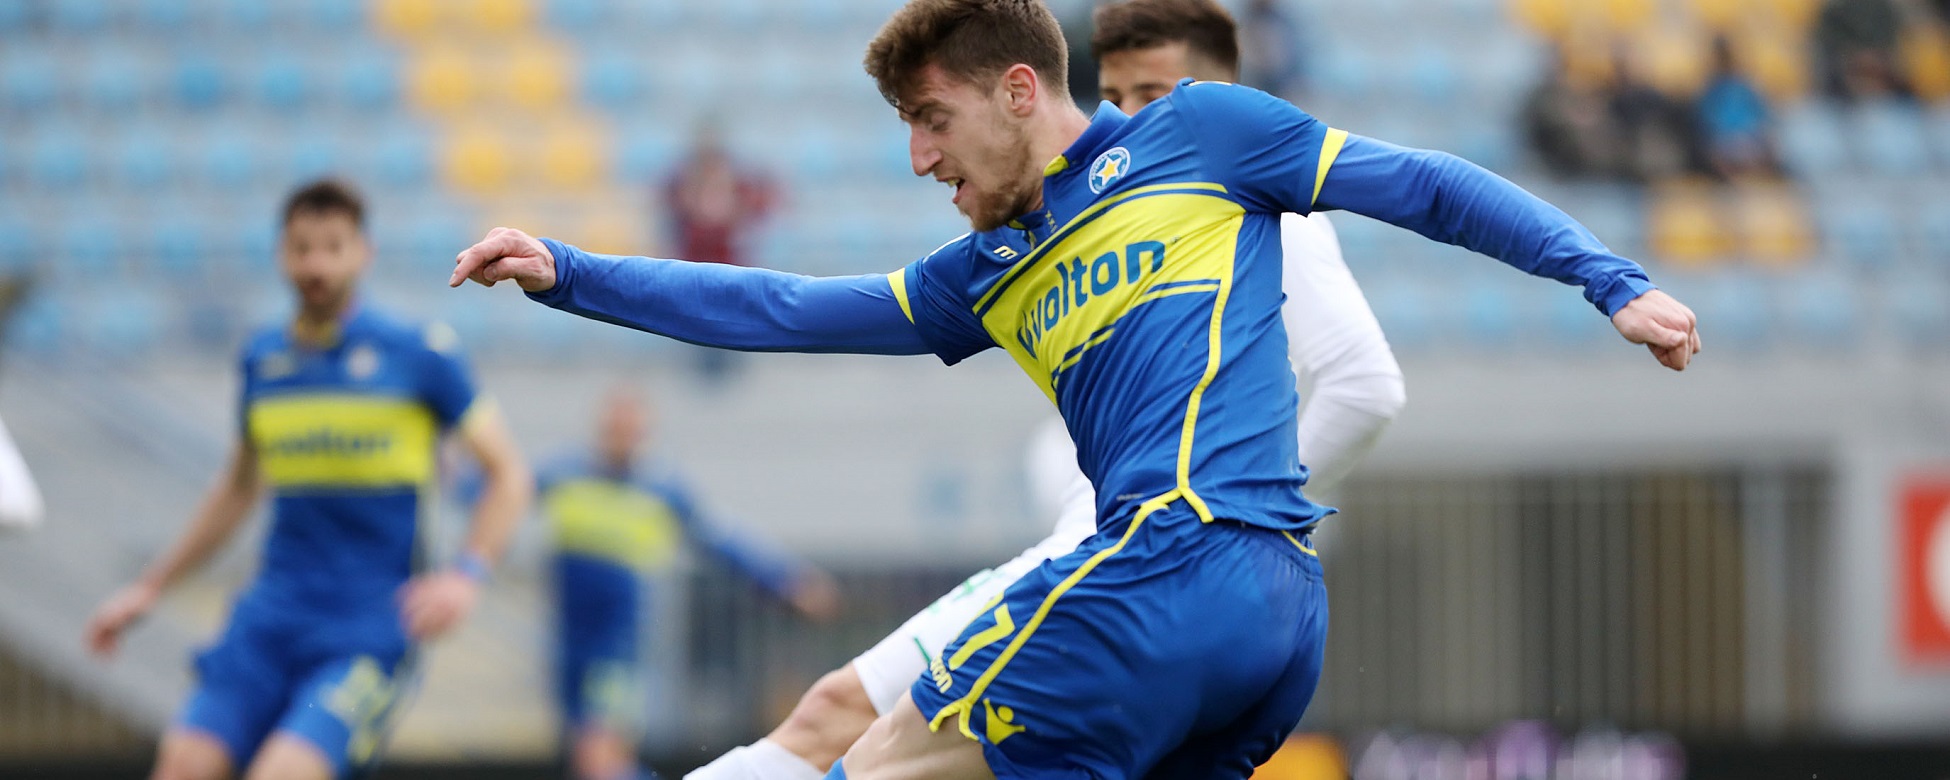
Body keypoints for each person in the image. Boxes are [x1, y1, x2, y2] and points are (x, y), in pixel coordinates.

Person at [448, 0, 1701, 775]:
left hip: (1173, 563)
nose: (917, 156)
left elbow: (1423, 185)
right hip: (1273, 623)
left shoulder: (1201, 134)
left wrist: (1610, 280)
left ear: (1017, 91)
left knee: (871, 758)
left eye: (930, 118)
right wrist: (573, 272)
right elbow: (780, 308)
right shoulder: (985, 271)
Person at [683, 0, 1406, 774]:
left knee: (860, 733)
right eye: (1117, 94)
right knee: (845, 719)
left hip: (1152, 564)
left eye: (1153, 94)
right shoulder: (1046, 234)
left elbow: (1365, 386)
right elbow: (790, 309)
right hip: (1125, 563)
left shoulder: (1241, 198)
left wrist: (1227, 508)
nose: (1129, 118)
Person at [87, 179, 534, 780]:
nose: (316, 264)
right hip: (268, 619)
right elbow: (238, 489)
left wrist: (466, 574)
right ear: (281, 255)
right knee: (181, 767)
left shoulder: (418, 354)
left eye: (332, 247)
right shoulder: (262, 359)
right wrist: (150, 587)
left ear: (364, 253)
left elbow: (508, 474)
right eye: (302, 248)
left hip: (365, 632)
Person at [534, 386, 842, 780]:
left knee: (599, 761)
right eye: (614, 428)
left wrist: (785, 579)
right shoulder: (564, 475)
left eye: (631, 430)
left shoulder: (660, 490)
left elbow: (721, 539)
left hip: (619, 645)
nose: (621, 438)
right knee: (589, 760)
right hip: (568, 643)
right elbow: (498, 490)